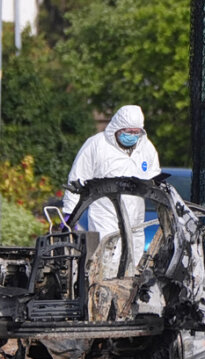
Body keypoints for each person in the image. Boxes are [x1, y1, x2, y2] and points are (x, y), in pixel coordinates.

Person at [61, 105, 161, 263]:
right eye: (128, 131)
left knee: (134, 261)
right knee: (108, 260)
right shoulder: (97, 145)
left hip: (136, 216)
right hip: (105, 213)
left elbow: (155, 180)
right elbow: (77, 179)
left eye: (136, 132)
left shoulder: (146, 148)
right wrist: (69, 213)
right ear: (117, 127)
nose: (132, 135)